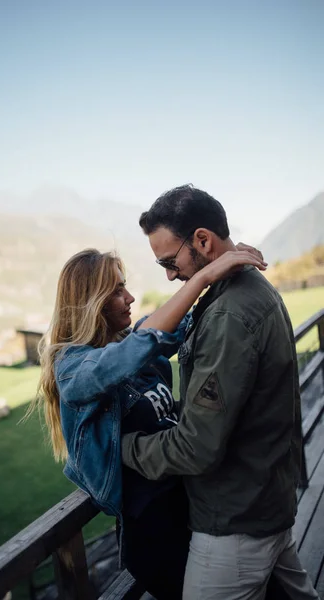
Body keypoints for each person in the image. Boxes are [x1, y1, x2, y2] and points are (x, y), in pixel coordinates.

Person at [34, 246, 269, 600]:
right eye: (115, 290)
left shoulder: (131, 344)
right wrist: (204, 277)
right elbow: (132, 353)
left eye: (124, 286)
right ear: (90, 302)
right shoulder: (72, 368)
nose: (129, 297)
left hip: (196, 508)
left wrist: (222, 274)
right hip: (155, 534)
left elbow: (178, 326)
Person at [121, 184, 320, 600]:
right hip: (266, 500)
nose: (170, 275)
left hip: (235, 524)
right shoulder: (239, 288)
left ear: (203, 241)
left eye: (168, 261)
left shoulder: (229, 313)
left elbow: (196, 447)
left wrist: (123, 448)